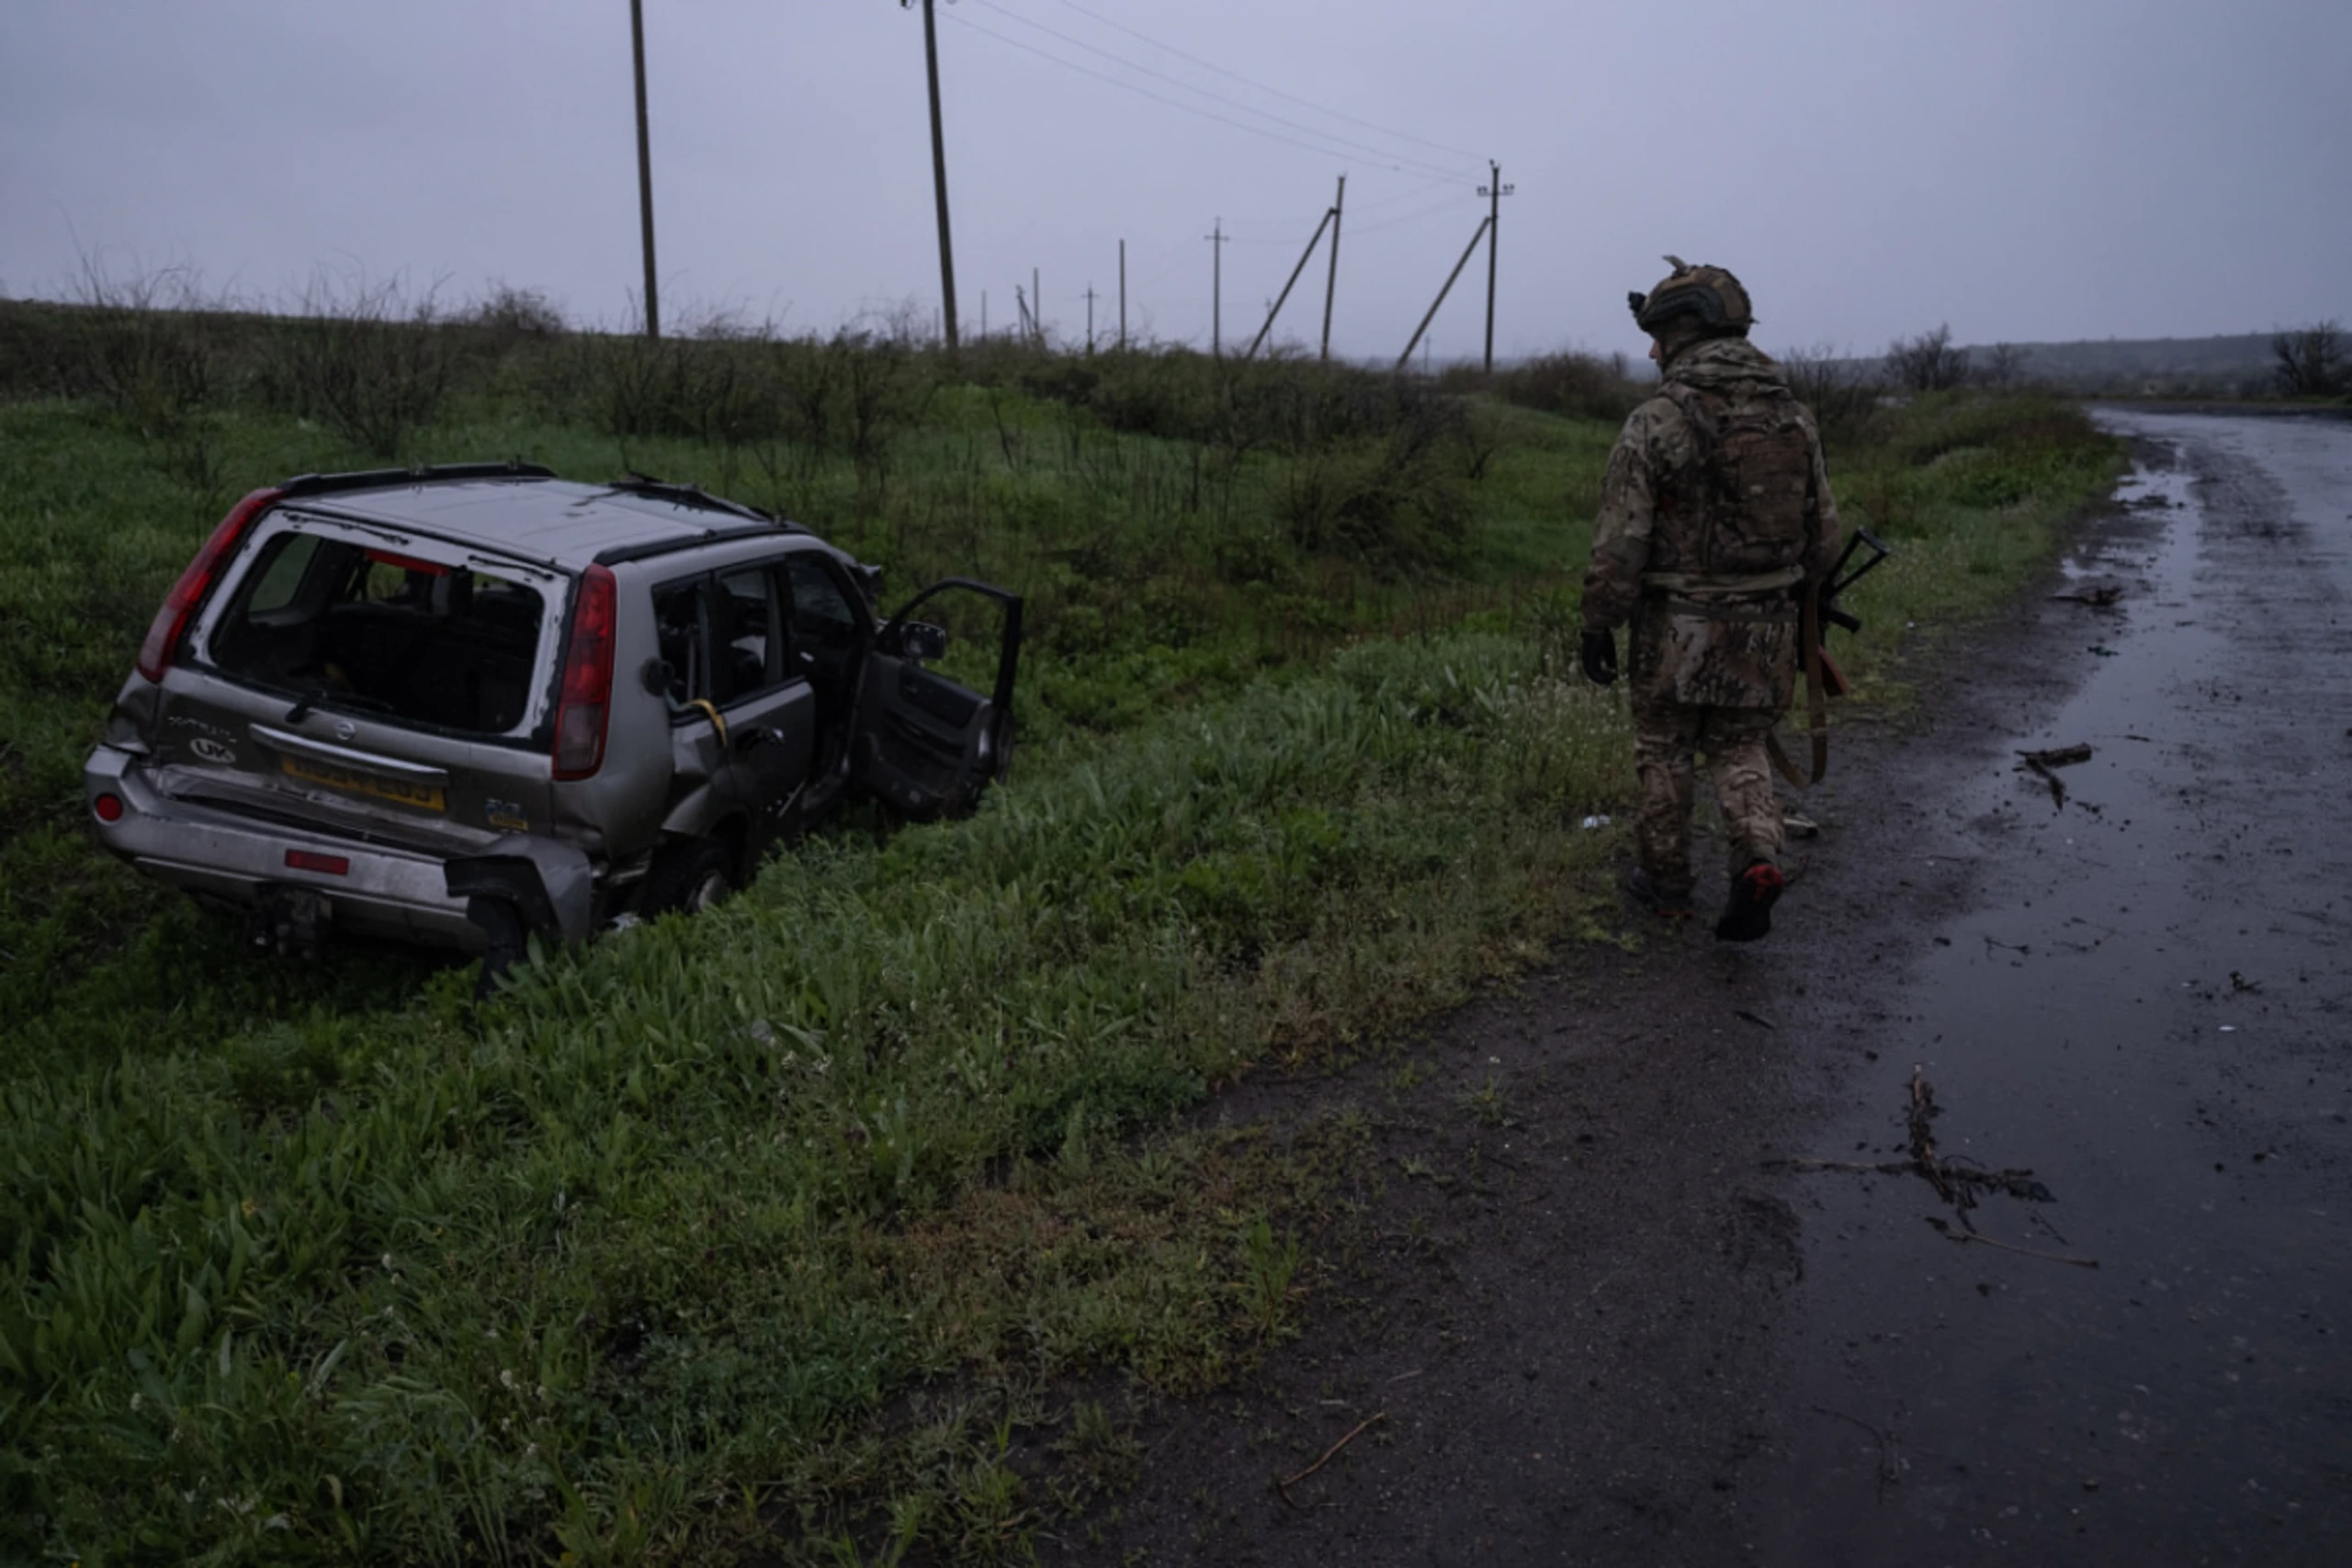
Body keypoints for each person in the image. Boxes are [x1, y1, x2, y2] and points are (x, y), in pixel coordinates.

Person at [1578, 257, 1842, 942]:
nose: (1651, 350)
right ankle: (1757, 857)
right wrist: (1801, 607)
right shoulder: (1794, 419)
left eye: (1659, 335)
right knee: (1740, 745)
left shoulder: (1656, 420)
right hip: (1765, 627)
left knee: (1664, 749)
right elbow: (1825, 536)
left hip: (1674, 627)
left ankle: (1665, 886)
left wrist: (1598, 622)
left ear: (1686, 333)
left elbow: (1620, 541)